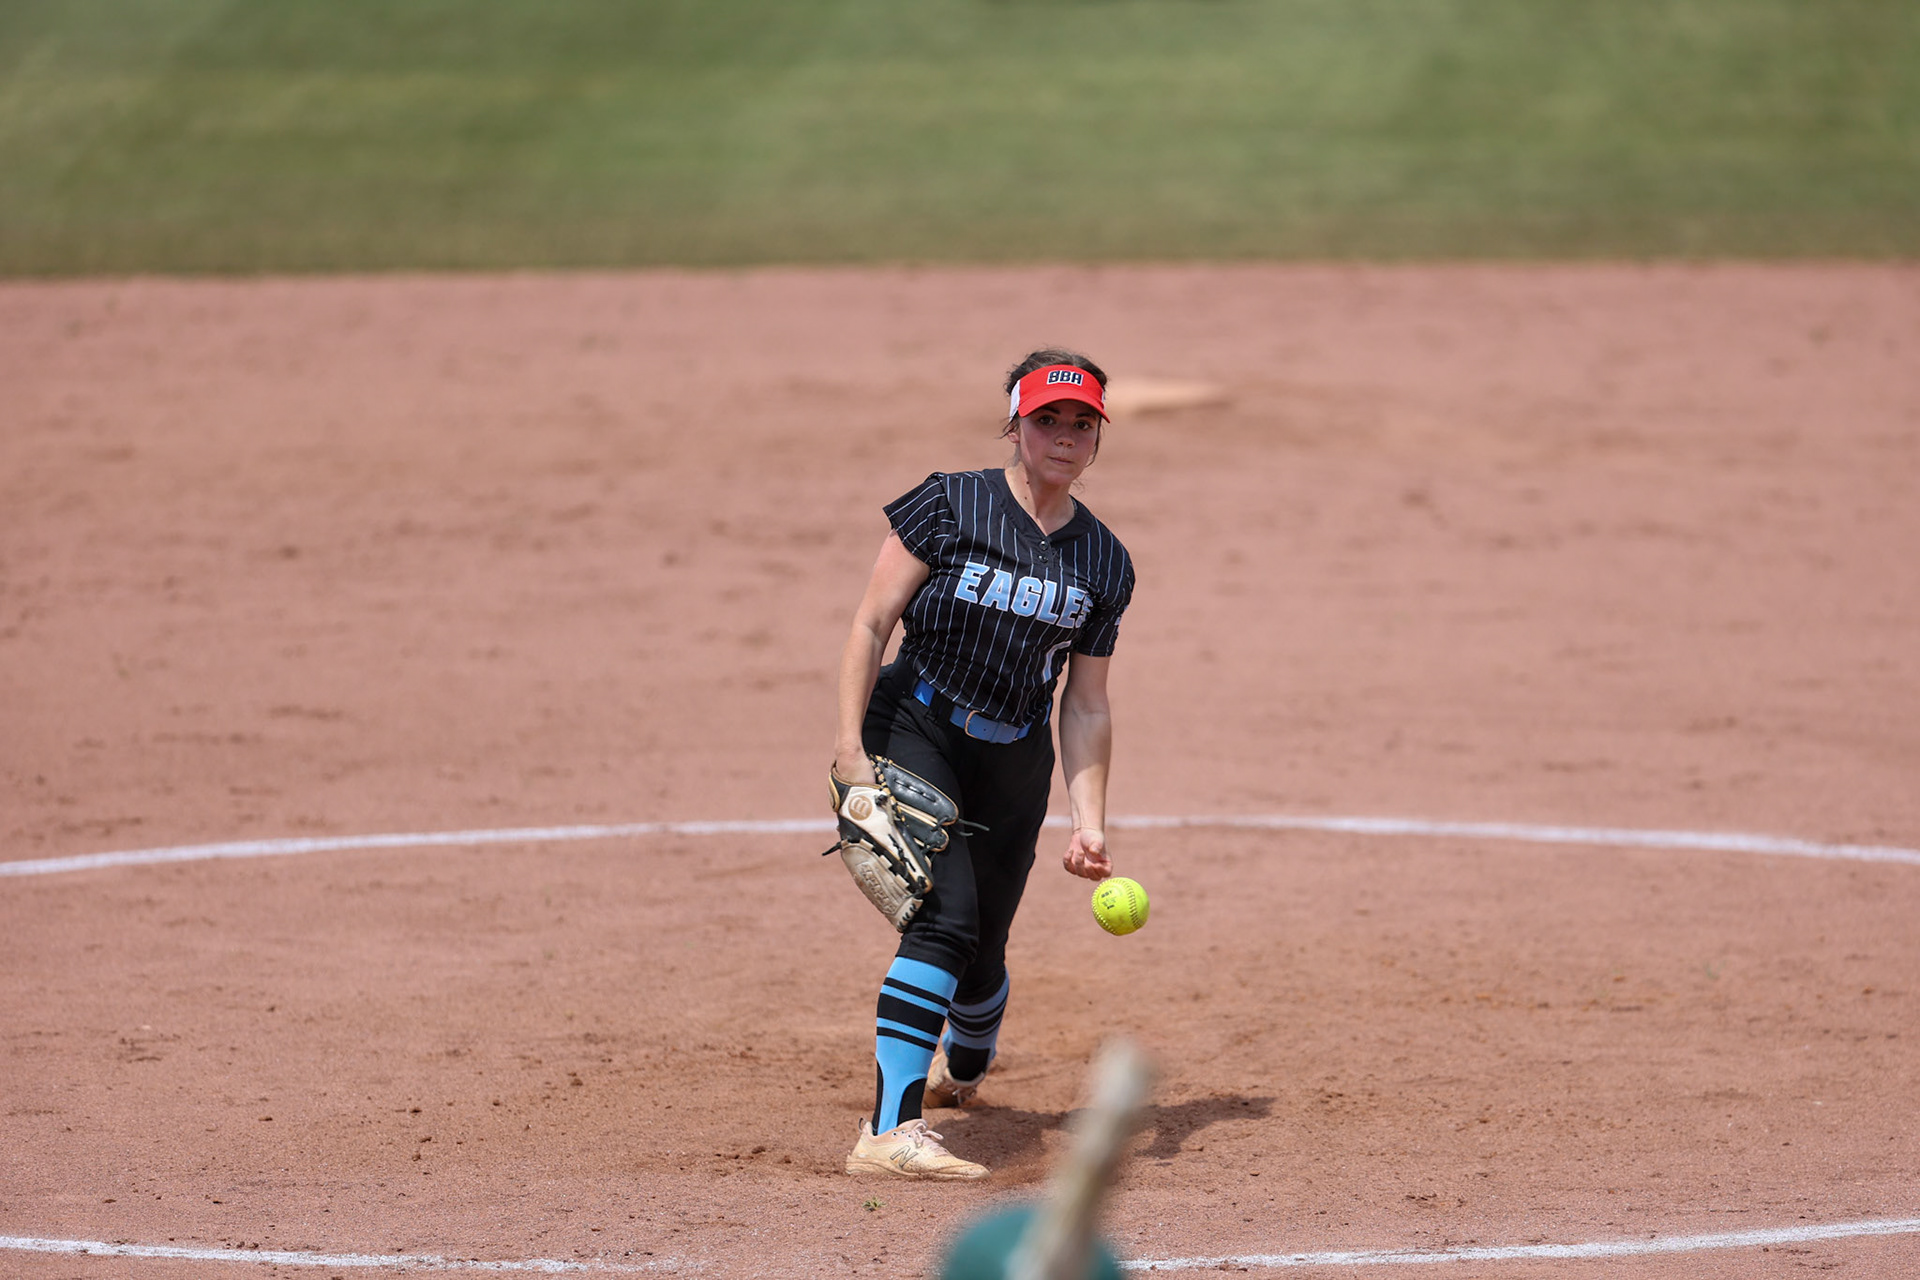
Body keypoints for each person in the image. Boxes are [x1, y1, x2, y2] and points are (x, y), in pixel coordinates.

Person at [833, 348, 1136, 1180]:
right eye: (1047, 419)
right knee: (944, 918)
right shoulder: (949, 503)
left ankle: (965, 1065)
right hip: (917, 725)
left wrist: (1090, 822)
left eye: (1082, 424)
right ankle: (886, 1132)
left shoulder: (1105, 562)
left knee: (984, 951)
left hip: (1015, 758)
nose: (1065, 436)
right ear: (1014, 424)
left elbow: (1084, 703)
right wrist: (849, 750)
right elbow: (870, 625)